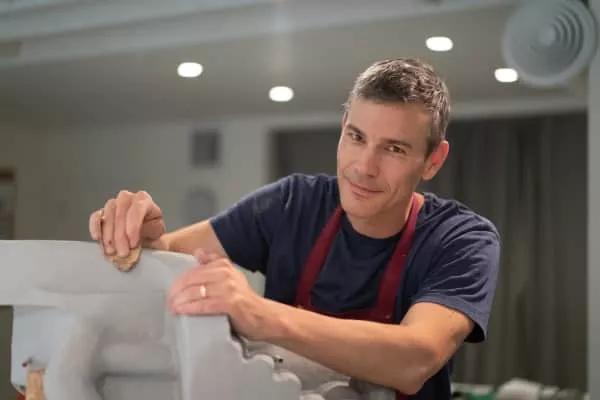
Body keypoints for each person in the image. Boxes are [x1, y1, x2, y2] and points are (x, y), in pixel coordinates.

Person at [89, 57, 501, 399]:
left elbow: (415, 359)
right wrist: (142, 237)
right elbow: (164, 262)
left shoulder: (461, 239)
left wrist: (257, 314)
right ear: (343, 127)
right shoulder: (293, 203)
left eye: (393, 148)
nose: (364, 167)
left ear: (433, 160)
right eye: (356, 137)